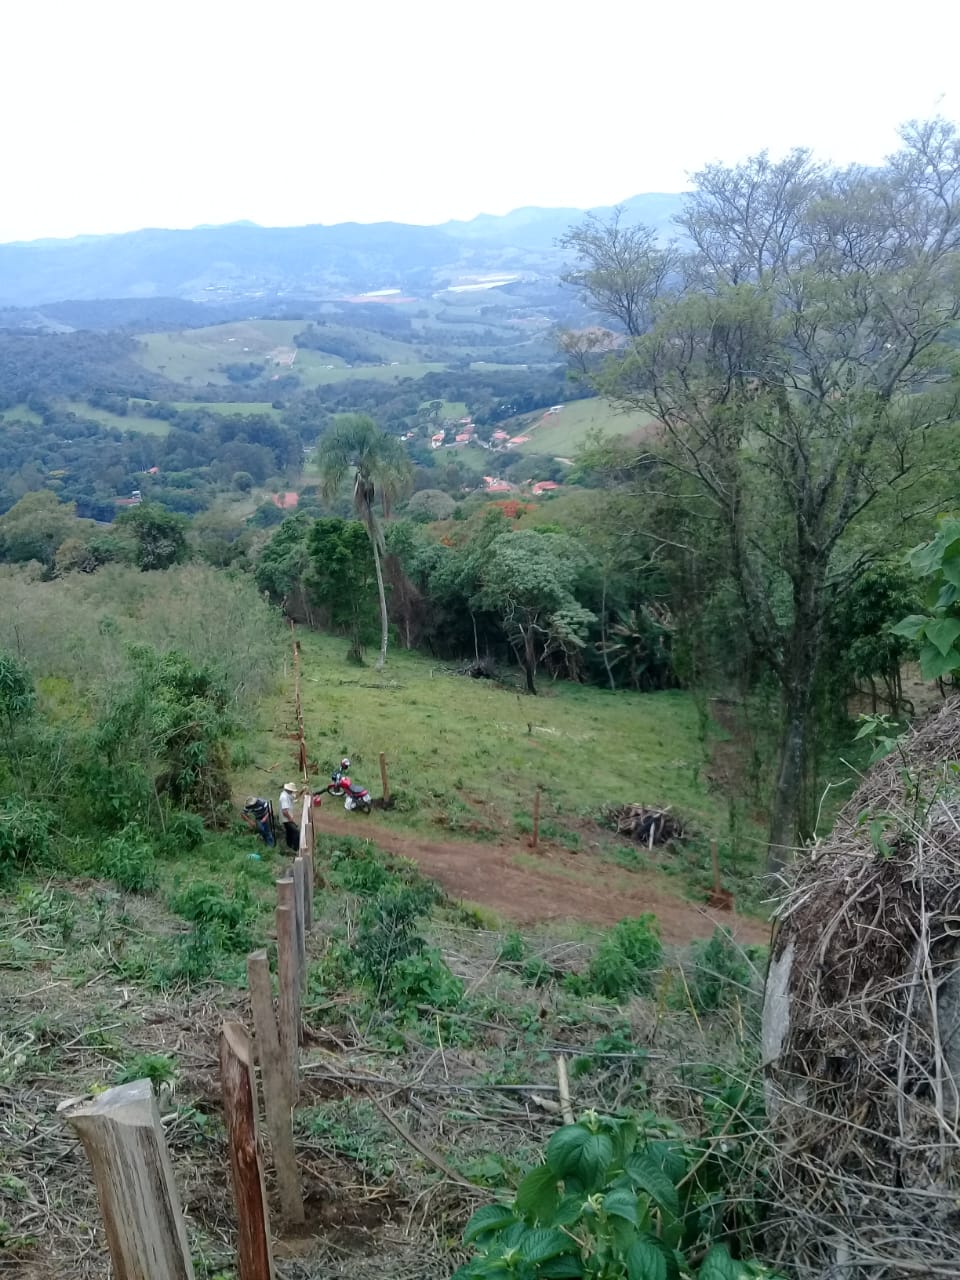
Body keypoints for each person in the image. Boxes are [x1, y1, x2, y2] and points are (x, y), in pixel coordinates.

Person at [279, 782, 300, 852]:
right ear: (289, 790)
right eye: (292, 790)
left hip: (286, 818)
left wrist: (302, 791)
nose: (292, 792)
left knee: (289, 832)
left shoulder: (287, 794)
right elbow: (284, 811)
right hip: (286, 818)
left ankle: (289, 845)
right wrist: (290, 818)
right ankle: (296, 848)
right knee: (296, 832)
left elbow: (295, 797)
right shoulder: (284, 797)